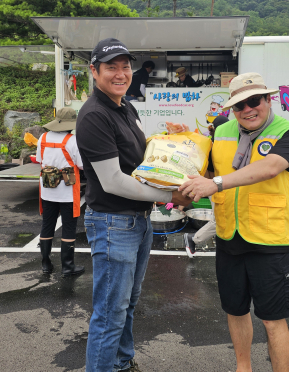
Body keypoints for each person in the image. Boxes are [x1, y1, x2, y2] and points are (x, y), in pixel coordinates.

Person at [76, 37, 191, 372]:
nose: (121, 73)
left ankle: (123, 363)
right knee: (110, 312)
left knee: (127, 305)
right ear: (94, 71)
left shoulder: (126, 107)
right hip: (112, 224)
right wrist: (171, 197)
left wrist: (168, 138)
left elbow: (138, 158)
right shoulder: (94, 115)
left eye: (125, 66)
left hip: (137, 222)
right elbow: (113, 180)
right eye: (111, 66)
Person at [180, 72, 289, 372]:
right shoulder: (221, 129)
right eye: (239, 105)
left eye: (254, 101)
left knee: (273, 319)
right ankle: (243, 367)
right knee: (235, 311)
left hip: (268, 239)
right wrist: (183, 140)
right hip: (228, 236)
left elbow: (269, 168)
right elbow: (206, 171)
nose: (248, 109)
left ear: (268, 99)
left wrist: (218, 183)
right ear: (232, 109)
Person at [36, 107, 84, 277]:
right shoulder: (73, 141)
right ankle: (68, 266)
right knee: (69, 227)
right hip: (68, 191)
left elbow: (40, 160)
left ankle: (45, 263)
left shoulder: (42, 138)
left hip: (47, 189)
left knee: (47, 225)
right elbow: (81, 165)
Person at [183, 115, 229, 258]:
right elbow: (209, 174)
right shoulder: (212, 147)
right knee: (220, 221)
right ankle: (194, 239)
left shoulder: (214, 145)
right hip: (216, 187)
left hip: (221, 186)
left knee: (224, 219)